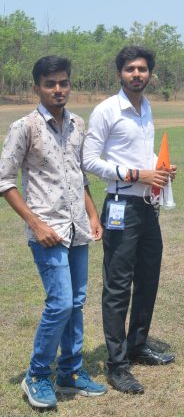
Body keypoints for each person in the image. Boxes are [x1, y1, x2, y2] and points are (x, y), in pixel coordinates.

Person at [0, 56, 107, 409]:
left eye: (63, 82)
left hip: (78, 228)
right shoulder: (24, 127)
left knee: (76, 302)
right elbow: (4, 181)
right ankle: (37, 375)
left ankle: (70, 372)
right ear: (37, 88)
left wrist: (92, 214)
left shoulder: (78, 124)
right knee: (60, 302)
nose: (58, 89)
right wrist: (35, 223)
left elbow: (79, 174)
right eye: (50, 84)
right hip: (48, 231)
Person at [83, 46, 176, 394]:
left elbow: (141, 154)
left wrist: (159, 169)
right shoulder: (107, 110)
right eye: (130, 69)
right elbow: (89, 160)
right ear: (120, 73)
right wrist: (136, 173)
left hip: (147, 205)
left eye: (142, 69)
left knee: (148, 277)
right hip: (120, 205)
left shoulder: (146, 107)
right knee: (118, 285)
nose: (137, 74)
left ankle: (137, 345)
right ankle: (117, 364)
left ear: (150, 73)